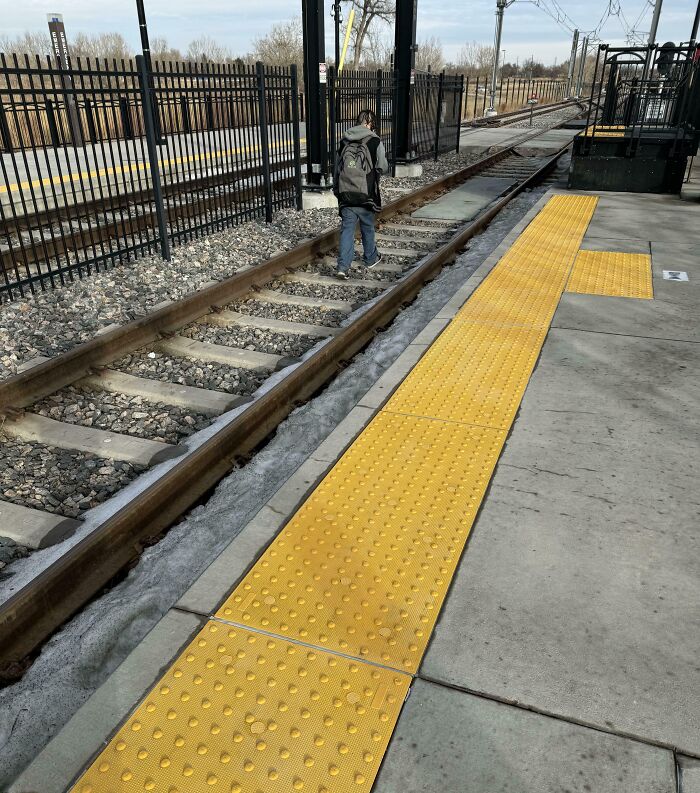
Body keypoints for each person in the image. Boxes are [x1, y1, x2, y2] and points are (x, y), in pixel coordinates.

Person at [332, 109, 389, 280]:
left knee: (347, 229)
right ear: (371, 123)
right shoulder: (375, 141)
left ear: (358, 122)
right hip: (366, 193)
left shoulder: (344, 140)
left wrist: (338, 191)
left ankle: (343, 267)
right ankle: (370, 258)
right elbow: (383, 166)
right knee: (367, 227)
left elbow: (337, 169)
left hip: (346, 193)